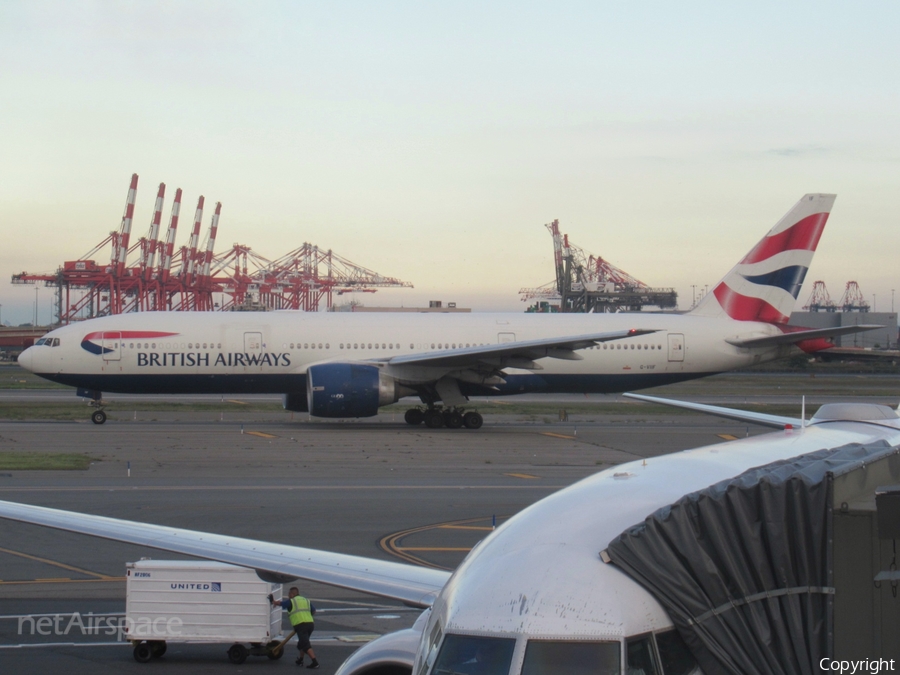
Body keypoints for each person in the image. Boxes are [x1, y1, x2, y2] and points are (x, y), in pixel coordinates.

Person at [271, 586, 319, 668]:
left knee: (305, 645)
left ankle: (315, 663)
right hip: (310, 624)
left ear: (292, 594)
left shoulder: (292, 601)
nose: (288, 596)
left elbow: (282, 604)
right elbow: (313, 611)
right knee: (301, 644)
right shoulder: (306, 600)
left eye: (289, 594)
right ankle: (300, 660)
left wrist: (273, 602)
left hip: (301, 625)